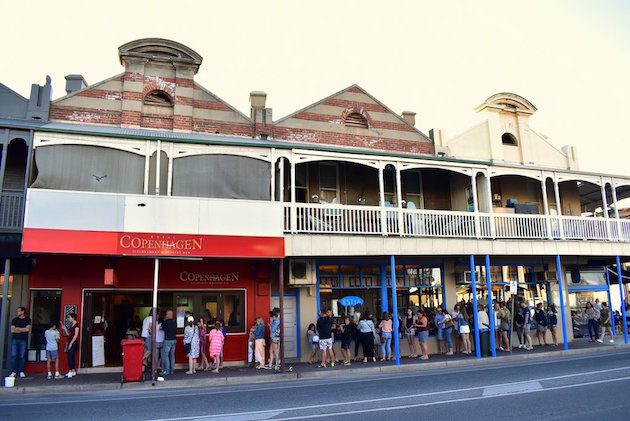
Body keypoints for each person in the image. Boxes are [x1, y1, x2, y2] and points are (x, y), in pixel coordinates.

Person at [10, 306, 31, 378]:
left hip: (23, 340)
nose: (17, 312)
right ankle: (14, 371)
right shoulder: (14, 320)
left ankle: (21, 371)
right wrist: (22, 329)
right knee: (14, 356)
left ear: (23, 312)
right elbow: (12, 330)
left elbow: (27, 329)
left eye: (19, 311)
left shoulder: (28, 320)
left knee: (22, 356)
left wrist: (18, 328)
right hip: (14, 339)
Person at [160, 310, 177, 376]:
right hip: (174, 340)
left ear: (168, 315)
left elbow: (161, 328)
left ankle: (167, 370)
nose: (166, 315)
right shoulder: (174, 322)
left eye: (167, 314)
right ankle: (172, 370)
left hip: (167, 340)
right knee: (172, 355)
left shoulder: (166, 322)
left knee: (165, 355)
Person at [65, 312, 80, 378]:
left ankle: (70, 371)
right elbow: (69, 334)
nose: (68, 319)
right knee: (72, 356)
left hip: (73, 343)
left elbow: (76, 335)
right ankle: (73, 371)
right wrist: (65, 329)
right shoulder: (72, 325)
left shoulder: (76, 325)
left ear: (73, 318)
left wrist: (70, 343)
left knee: (70, 357)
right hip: (70, 342)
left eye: (69, 317)